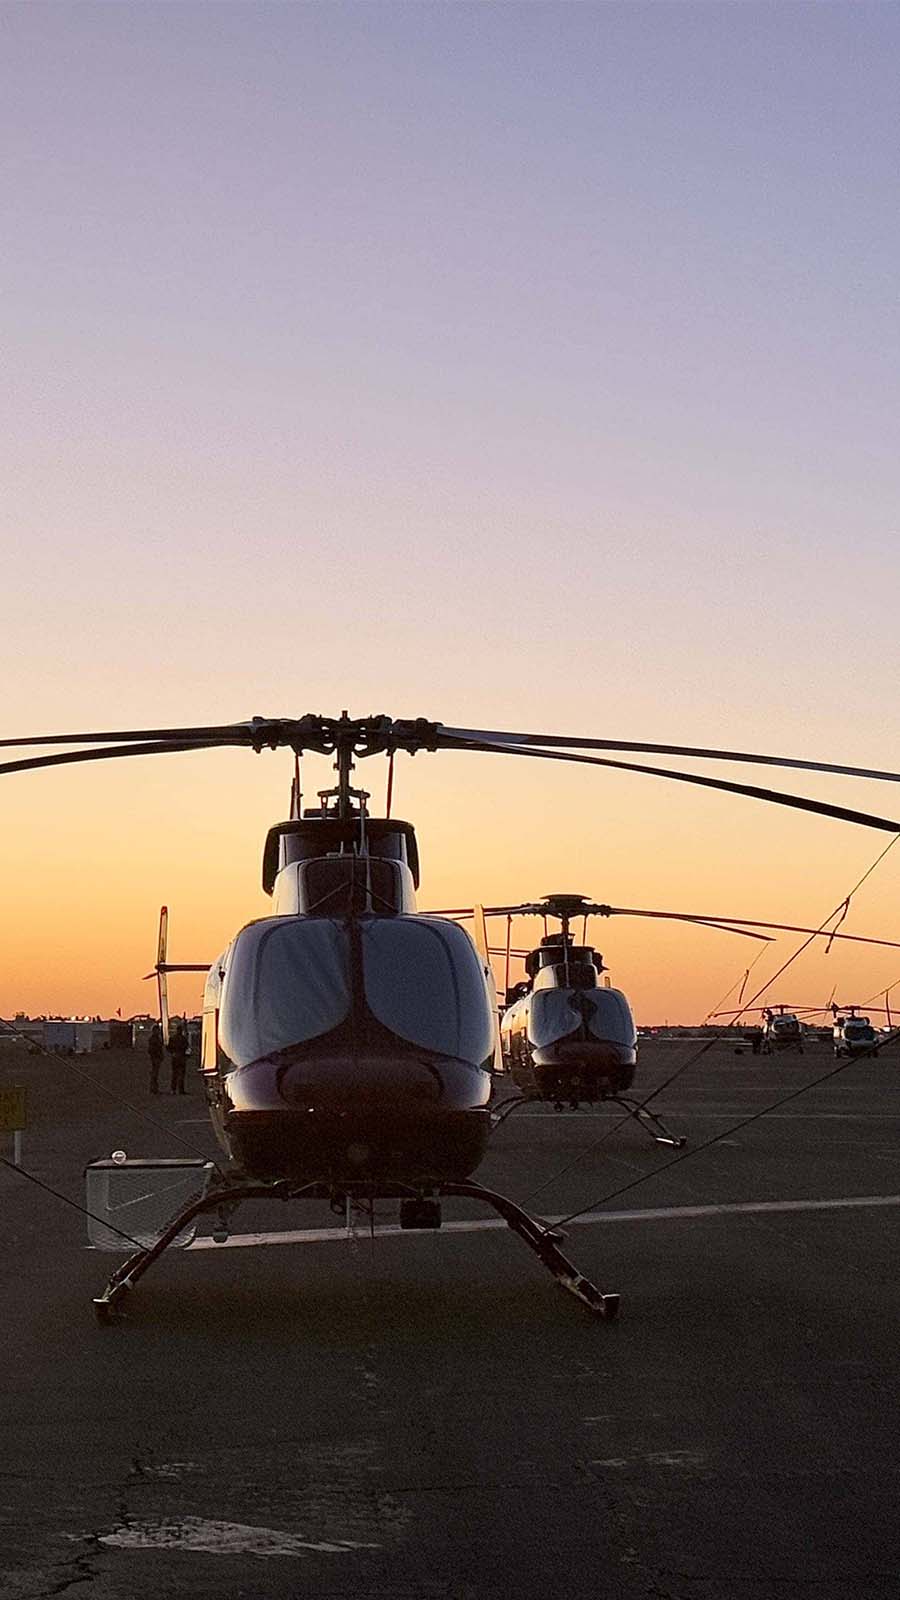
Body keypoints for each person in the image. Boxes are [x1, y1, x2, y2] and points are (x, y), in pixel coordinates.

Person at [168, 1021, 189, 1095]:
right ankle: (180, 1090)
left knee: (175, 1075)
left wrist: (173, 1053)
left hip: (176, 1057)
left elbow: (169, 1048)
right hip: (181, 1058)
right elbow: (186, 1046)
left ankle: (174, 1089)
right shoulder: (183, 1038)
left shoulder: (173, 1038)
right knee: (180, 1075)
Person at [147, 1022, 164, 1094]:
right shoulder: (154, 1039)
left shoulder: (156, 1038)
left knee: (155, 1074)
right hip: (155, 1058)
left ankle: (154, 1089)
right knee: (154, 1074)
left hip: (156, 1058)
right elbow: (152, 1049)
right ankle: (153, 1089)